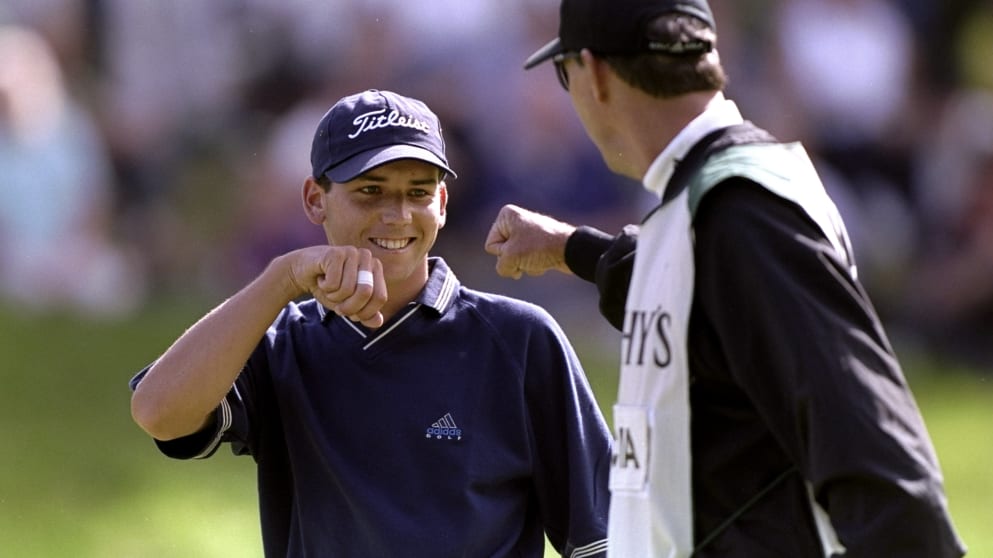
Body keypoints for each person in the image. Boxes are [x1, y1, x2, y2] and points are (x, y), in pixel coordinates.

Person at [484, 1, 966, 556]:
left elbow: (882, 465)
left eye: (563, 73)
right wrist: (571, 248)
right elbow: (691, 296)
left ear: (592, 71)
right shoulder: (710, 200)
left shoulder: (742, 212)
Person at [129, 89, 611, 558]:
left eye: (417, 193)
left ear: (442, 203)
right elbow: (159, 412)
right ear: (315, 200)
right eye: (370, 192)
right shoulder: (282, 344)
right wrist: (281, 278)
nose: (397, 215)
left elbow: (605, 538)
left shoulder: (518, 340)